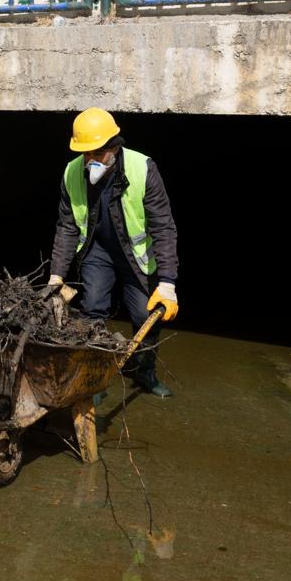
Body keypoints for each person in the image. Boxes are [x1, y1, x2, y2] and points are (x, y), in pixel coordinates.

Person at [48, 108, 180, 398]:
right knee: (92, 308)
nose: (89, 160)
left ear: (113, 147)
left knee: (144, 313)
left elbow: (163, 227)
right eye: (85, 154)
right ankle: (93, 378)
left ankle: (145, 373)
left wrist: (167, 283)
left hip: (135, 254)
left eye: (96, 153)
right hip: (97, 249)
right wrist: (56, 276)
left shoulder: (142, 168)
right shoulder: (72, 172)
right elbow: (67, 226)